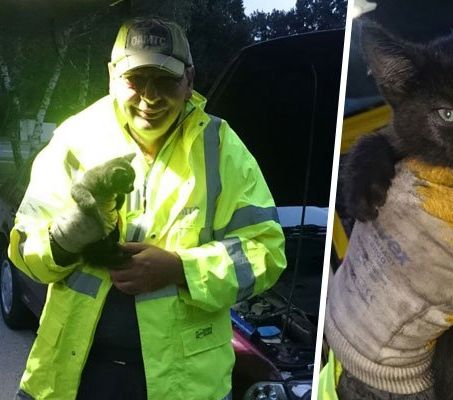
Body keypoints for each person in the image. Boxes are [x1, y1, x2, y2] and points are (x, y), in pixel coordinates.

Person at [8, 17, 286, 400]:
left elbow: (266, 251)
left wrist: (180, 269)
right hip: (73, 376)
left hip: (184, 385)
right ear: (111, 76)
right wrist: (68, 235)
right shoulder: (75, 139)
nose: (150, 97)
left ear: (189, 80)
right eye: (135, 80)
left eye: (165, 80)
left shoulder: (221, 149)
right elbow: (26, 252)